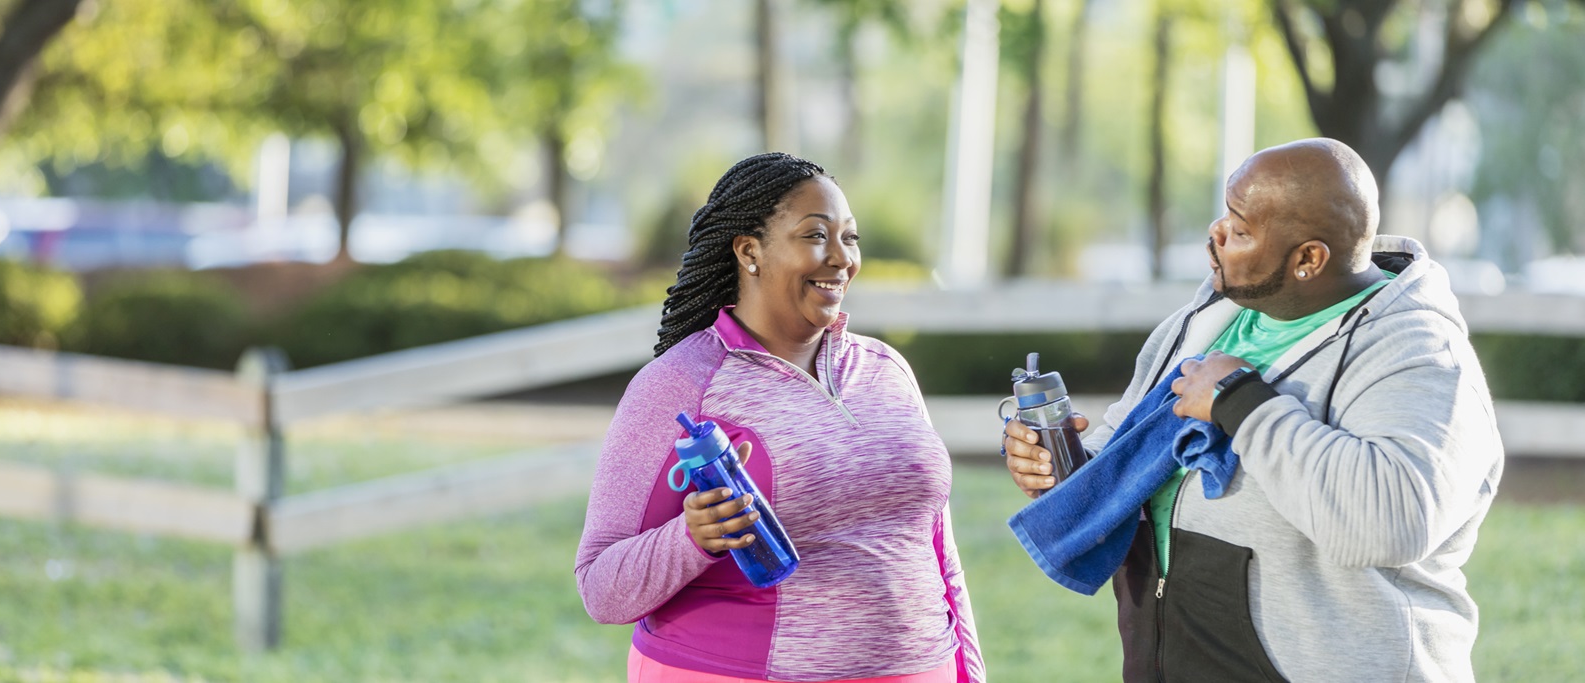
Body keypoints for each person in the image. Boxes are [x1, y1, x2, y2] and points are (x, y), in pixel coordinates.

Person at [1002, 138, 1503, 682]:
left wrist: (1241, 402)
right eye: (1226, 214)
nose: (1217, 234)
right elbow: (1137, 448)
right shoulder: (1208, 317)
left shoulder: (1420, 356)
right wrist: (1073, 469)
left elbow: (1392, 521)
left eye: (1241, 231)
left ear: (1309, 258)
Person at [577, 152, 985, 683]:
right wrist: (695, 535)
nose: (842, 259)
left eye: (851, 238)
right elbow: (601, 587)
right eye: (816, 235)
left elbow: (938, 552)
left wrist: (970, 672)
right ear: (750, 251)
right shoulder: (679, 385)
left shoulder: (887, 370)